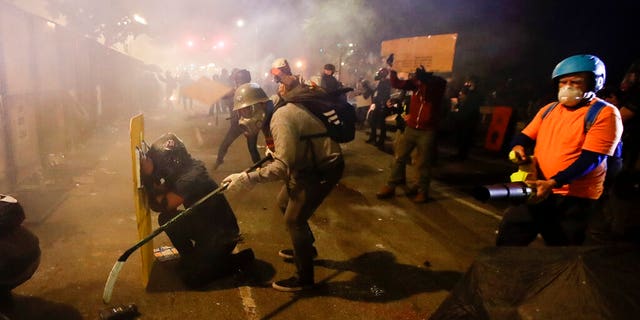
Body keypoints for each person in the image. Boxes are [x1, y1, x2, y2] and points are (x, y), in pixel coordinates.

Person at [222, 78, 344, 292]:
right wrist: (245, 173)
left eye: (246, 111)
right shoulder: (274, 113)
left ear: (260, 105)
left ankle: (304, 278)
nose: (243, 118)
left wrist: (247, 179)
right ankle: (307, 247)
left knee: (294, 219)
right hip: (305, 166)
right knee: (282, 201)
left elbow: (281, 167)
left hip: (322, 168)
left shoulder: (280, 118)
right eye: (240, 113)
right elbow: (283, 154)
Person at [496, 54, 623, 246]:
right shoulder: (549, 109)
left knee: (562, 252)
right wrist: (518, 146)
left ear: (594, 84)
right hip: (537, 188)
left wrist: (553, 183)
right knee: (509, 238)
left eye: (576, 82)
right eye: (563, 82)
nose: (568, 87)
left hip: (573, 199)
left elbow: (591, 159)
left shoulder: (605, 113)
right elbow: (524, 135)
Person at [141, 133, 253, 288]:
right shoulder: (186, 169)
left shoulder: (190, 178)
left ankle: (238, 260)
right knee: (167, 220)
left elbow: (162, 205)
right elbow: (163, 192)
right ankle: (193, 259)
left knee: (193, 281)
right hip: (208, 227)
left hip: (220, 237)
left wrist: (147, 177)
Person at [376, 65, 447, 203]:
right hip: (411, 127)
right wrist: (393, 68)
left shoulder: (438, 83)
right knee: (399, 158)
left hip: (427, 131)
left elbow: (430, 93)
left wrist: (424, 80)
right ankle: (391, 185)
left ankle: (422, 191)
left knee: (423, 163)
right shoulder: (415, 83)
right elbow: (397, 83)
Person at [213, 69, 273, 169]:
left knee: (252, 148)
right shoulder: (236, 90)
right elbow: (224, 96)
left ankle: (259, 168)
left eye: (239, 80)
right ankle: (218, 161)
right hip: (237, 123)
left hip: (251, 124)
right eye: (238, 81)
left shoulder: (253, 88)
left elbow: (267, 103)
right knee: (226, 143)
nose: (238, 82)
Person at [451, 76, 484, 161]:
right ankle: (460, 153)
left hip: (470, 119)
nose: (469, 84)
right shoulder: (468, 92)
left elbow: (473, 106)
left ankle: (463, 155)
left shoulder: (476, 94)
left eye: (471, 82)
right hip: (464, 117)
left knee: (466, 137)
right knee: (461, 136)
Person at [366, 68, 392, 149]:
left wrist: (381, 102)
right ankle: (373, 137)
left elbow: (385, 94)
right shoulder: (380, 82)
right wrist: (368, 88)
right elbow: (375, 92)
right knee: (372, 121)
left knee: (382, 124)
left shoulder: (387, 82)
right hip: (377, 104)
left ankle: (381, 141)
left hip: (382, 105)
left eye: (381, 73)